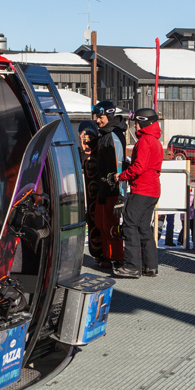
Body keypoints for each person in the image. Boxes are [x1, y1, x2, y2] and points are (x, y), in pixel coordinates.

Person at [115, 108, 163, 278]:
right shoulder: (155, 141)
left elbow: (139, 167)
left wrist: (121, 175)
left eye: (136, 122)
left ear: (143, 122)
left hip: (142, 189)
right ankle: (150, 266)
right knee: (144, 227)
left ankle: (132, 266)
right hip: (153, 190)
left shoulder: (144, 141)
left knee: (129, 225)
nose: (134, 126)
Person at [93, 100, 127, 268]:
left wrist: (118, 192)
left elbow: (118, 165)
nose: (97, 120)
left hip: (112, 189)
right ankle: (107, 254)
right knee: (101, 223)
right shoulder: (104, 134)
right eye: (97, 117)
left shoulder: (114, 136)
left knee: (111, 225)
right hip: (104, 187)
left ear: (110, 116)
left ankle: (117, 256)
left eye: (101, 117)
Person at [78, 121, 102, 259]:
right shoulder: (83, 156)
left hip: (99, 190)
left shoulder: (99, 153)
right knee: (93, 217)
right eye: (84, 139)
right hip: (90, 189)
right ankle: (99, 253)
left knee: (98, 218)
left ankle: (102, 253)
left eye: (90, 140)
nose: (87, 142)